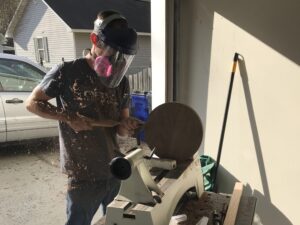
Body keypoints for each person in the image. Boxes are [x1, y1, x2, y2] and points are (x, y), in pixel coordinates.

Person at [26, 10, 141, 225]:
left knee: (117, 222)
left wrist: (126, 125)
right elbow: (32, 103)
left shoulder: (121, 81)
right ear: (94, 39)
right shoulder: (67, 72)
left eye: (120, 56)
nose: (115, 60)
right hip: (83, 174)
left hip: (115, 170)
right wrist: (67, 116)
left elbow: (121, 129)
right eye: (111, 52)